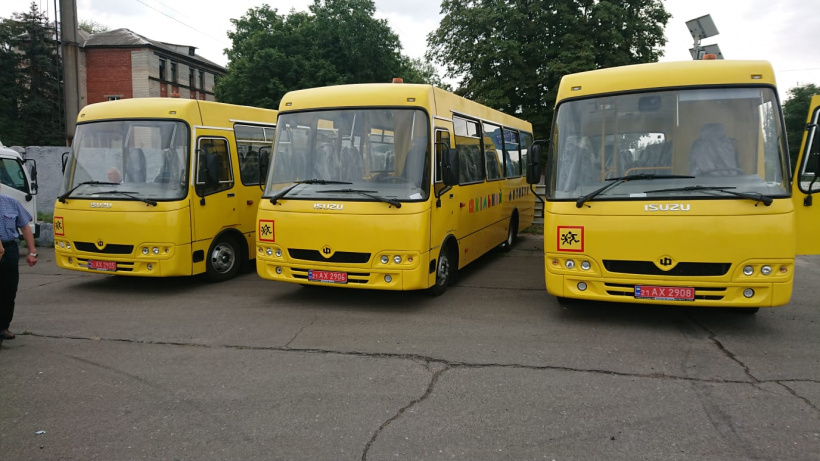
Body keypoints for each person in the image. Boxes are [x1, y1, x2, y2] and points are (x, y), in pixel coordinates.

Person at [0, 182, 37, 340]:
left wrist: (32, 252)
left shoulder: (11, 202)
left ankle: (3, 327)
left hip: (9, 250)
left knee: (9, 291)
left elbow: (25, 227)